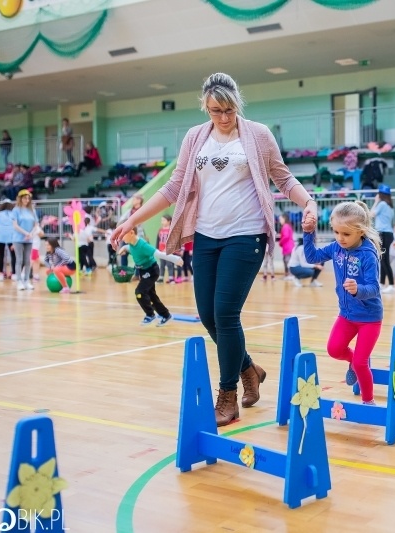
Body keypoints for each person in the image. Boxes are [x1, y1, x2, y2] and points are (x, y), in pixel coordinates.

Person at [109, 72, 318, 426]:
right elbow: (174, 187)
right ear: (205, 108)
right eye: (215, 110)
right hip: (206, 236)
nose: (222, 117)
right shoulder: (195, 137)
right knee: (207, 315)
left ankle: (228, 395)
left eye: (228, 109)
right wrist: (132, 220)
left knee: (225, 314)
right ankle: (249, 369)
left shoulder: (258, 135)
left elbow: (283, 178)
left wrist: (308, 202)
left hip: (246, 235)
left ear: (237, 104)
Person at [303, 201, 383, 405]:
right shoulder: (336, 247)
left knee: (361, 363)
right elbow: (312, 257)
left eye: (346, 234)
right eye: (336, 232)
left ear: (361, 231)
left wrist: (358, 290)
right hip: (346, 315)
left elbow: (374, 288)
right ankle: (353, 361)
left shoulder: (368, 254)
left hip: (369, 318)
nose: (340, 238)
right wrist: (308, 233)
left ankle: (368, 402)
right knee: (334, 350)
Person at [118, 228, 183, 326]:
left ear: (131, 233)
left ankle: (150, 314)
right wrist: (124, 248)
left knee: (139, 292)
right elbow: (130, 247)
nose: (121, 237)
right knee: (151, 296)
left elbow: (158, 254)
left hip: (151, 271)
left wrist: (175, 259)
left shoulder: (143, 245)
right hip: (143, 271)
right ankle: (166, 315)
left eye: (123, 234)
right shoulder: (131, 243)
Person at [11, 189, 40, 291]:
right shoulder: (16, 210)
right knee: (19, 260)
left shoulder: (32, 210)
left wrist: (31, 234)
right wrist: (25, 233)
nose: (27, 200)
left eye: (28, 198)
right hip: (18, 238)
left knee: (27, 260)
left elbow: (36, 225)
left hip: (29, 239)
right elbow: (15, 225)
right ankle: (19, 281)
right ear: (20, 198)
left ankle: (27, 281)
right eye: (24, 198)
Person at [371, 183, 395, 293]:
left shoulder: (381, 204)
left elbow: (370, 214)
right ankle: (382, 283)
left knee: (384, 260)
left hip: (383, 233)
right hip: (388, 234)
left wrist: (376, 201)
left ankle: (391, 285)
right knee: (383, 259)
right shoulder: (390, 207)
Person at [0, 200, 17, 281]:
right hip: (12, 236)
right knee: (13, 256)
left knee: (1, 255)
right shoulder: (14, 213)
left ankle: (1, 274)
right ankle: (14, 274)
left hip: (0, 236)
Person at [278, 213, 295, 280]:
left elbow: (286, 236)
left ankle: (290, 274)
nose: (280, 221)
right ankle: (287, 274)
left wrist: (280, 242)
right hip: (288, 246)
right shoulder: (288, 226)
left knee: (287, 260)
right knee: (286, 260)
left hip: (288, 246)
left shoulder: (285, 226)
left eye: (280, 219)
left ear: (284, 219)